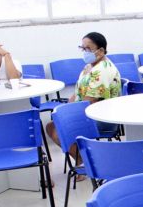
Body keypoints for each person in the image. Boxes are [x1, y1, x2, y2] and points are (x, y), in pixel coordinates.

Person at [45, 32, 121, 177]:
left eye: (88, 49)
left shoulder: (102, 70)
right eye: (83, 48)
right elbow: (78, 92)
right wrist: (64, 111)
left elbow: (88, 101)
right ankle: (82, 159)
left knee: (59, 130)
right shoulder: (90, 66)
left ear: (101, 51)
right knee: (51, 126)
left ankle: (86, 163)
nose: (85, 52)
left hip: (101, 118)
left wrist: (68, 117)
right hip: (86, 113)